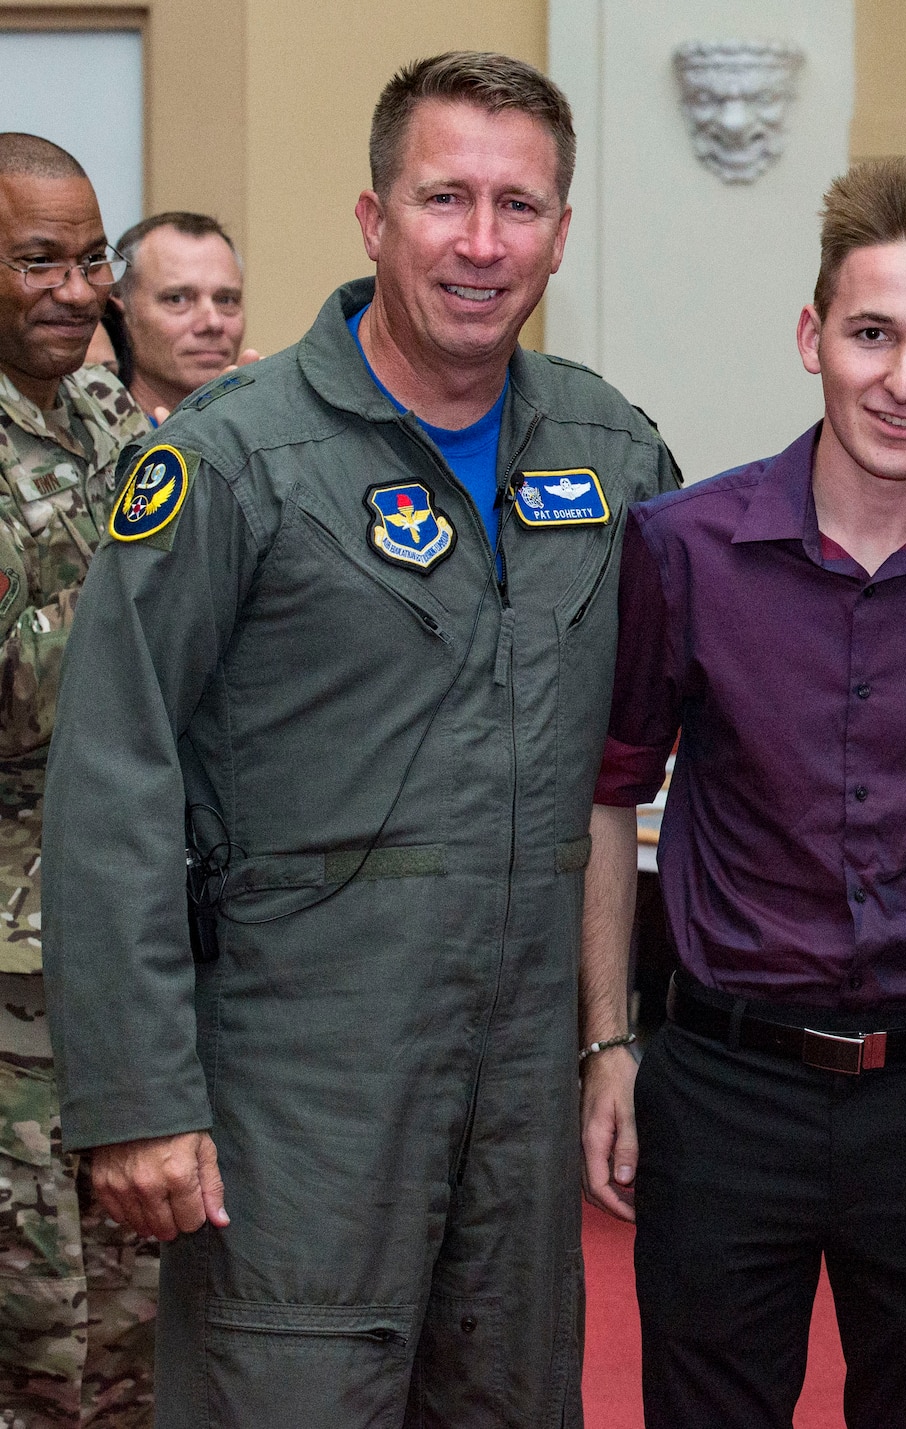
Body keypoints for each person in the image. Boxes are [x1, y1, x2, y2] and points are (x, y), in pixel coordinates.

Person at [41, 51, 684, 1427]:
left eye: (520, 206)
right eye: (444, 196)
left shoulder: (612, 453)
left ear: (563, 233)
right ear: (373, 216)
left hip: (516, 1092)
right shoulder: (232, 459)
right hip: (297, 1084)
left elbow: (716, 668)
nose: (482, 240)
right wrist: (138, 1095)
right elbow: (113, 773)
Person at [580, 157, 906, 1429]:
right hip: (725, 1084)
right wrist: (607, 1043)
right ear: (812, 336)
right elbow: (609, 795)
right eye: (872, 335)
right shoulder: (681, 547)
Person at [0, 131, 155, 1429]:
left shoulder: (111, 412)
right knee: (37, 1324)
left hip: (124, 934)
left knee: (137, 1314)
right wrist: (146, 624)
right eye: (35, 259)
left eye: (90, 257)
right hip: (11, 962)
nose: (71, 287)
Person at [110, 211, 255, 423]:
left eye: (226, 300)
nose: (213, 323)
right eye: (177, 299)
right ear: (121, 311)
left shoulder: (261, 430)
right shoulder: (94, 437)